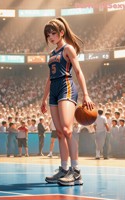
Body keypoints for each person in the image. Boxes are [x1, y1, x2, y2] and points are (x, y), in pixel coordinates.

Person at [41, 17, 94, 186]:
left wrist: (86, 94)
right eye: (48, 34)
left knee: (67, 129)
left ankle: (76, 171)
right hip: (54, 91)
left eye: (53, 33)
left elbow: (78, 71)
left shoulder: (68, 48)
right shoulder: (51, 54)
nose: (50, 36)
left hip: (66, 86)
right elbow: (49, 78)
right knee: (60, 132)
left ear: (61, 33)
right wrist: (43, 99)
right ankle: (64, 169)